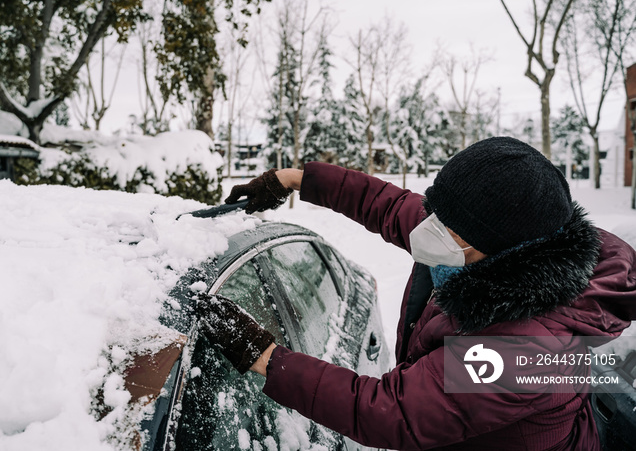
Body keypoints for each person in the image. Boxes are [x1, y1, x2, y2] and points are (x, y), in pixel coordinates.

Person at [197, 137, 636, 450]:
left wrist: (266, 357)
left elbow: (393, 413)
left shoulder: (531, 352)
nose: (426, 230)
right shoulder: (489, 245)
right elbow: (388, 205)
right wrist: (293, 180)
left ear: (501, 250)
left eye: (445, 226)